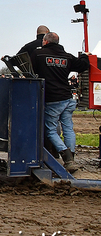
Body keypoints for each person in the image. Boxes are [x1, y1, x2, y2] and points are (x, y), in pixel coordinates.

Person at [30, 32, 89, 173]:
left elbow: (28, 70)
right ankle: (71, 158)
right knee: (68, 128)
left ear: (45, 41)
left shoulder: (38, 55)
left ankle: (66, 157)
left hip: (53, 99)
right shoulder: (67, 56)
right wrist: (85, 55)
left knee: (50, 130)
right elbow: (82, 66)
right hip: (68, 98)